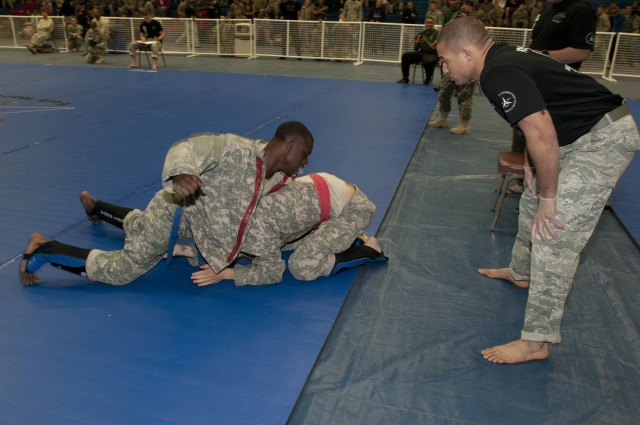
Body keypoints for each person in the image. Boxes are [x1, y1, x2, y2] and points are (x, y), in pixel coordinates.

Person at [436, 16, 639, 364]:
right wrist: (531, 168)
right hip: (572, 135)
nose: (443, 69)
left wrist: (551, 197)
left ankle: (537, 342)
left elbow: (541, 130)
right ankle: (521, 271)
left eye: (445, 60)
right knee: (532, 199)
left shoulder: (498, 72)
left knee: (552, 231)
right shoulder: (499, 59)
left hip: (602, 140)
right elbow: (539, 118)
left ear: (467, 53)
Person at [20, 122, 314, 286]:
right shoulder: (234, 149)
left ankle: (96, 208)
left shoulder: (274, 176)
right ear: (289, 145)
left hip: (193, 221)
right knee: (123, 270)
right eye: (304, 154)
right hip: (175, 212)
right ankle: (45, 249)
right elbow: (187, 147)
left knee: (140, 227)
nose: (305, 163)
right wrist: (182, 171)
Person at [71, 172, 387, 287]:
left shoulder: (256, 229)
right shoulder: (234, 201)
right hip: (318, 201)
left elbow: (272, 271)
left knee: (302, 266)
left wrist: (226, 274)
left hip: (349, 207)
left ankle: (366, 249)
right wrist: (186, 251)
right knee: (154, 228)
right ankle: (98, 208)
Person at [428, 3, 476, 135]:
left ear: (473, 9)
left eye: (467, 9)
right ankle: (443, 119)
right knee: (444, 91)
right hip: (452, 65)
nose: (463, 11)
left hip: (468, 66)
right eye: (462, 9)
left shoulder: (476, 25)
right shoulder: (452, 22)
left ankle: (464, 125)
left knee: (464, 96)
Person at [397, 17, 439, 85]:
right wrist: (416, 43)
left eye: (430, 23)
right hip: (422, 52)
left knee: (429, 61)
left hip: (432, 54)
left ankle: (428, 78)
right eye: (427, 22)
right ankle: (405, 78)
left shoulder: (437, 33)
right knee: (405, 56)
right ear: (425, 24)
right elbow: (416, 49)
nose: (428, 24)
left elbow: (435, 48)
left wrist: (427, 42)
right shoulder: (422, 33)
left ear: (433, 24)